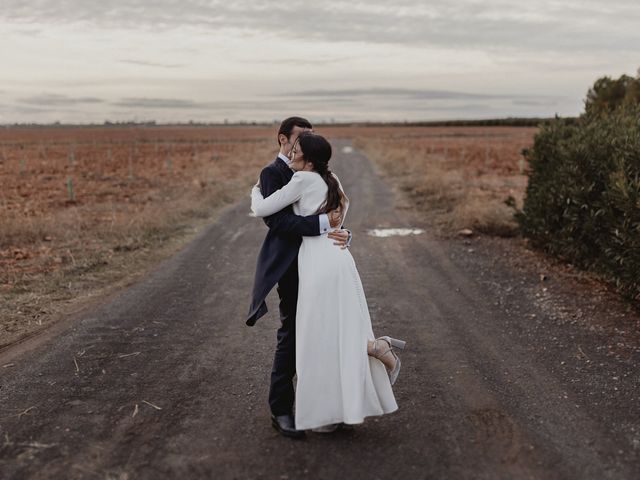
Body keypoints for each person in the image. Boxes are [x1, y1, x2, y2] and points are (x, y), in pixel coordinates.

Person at [251, 131, 405, 433]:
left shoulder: (302, 180)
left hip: (318, 262)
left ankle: (332, 405)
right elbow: (338, 215)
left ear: (307, 157)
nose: (292, 153)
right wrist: (337, 229)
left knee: (318, 334)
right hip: (339, 258)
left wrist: (255, 192)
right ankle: (369, 354)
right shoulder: (331, 179)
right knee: (336, 326)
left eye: (297, 150)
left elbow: (263, 209)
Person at [246, 117, 351, 439]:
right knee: (291, 335)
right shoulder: (273, 173)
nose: (306, 141)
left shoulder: (318, 174)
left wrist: (341, 232)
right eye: (301, 137)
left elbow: (334, 209)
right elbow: (277, 222)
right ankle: (281, 410)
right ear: (283, 139)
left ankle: (323, 407)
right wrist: (324, 226)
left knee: (323, 334)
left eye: (310, 136)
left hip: (318, 262)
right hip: (291, 267)